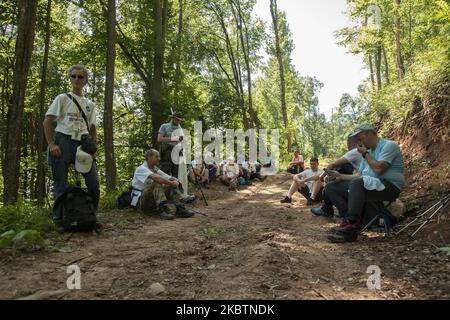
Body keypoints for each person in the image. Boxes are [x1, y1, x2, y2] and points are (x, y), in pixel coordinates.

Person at [323, 123, 405, 241]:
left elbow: (379, 169)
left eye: (360, 138)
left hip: (390, 187)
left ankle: (350, 226)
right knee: (331, 187)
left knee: (358, 183)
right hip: (368, 185)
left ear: (369, 133)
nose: (359, 142)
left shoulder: (389, 146)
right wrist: (340, 176)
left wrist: (365, 154)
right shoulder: (368, 153)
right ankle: (348, 220)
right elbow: (359, 175)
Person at [43, 65, 100, 229]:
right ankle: (59, 221)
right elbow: (47, 121)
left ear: (86, 80)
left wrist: (93, 149)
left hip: (83, 144)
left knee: (93, 183)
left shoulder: (90, 104)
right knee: (60, 184)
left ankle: (90, 217)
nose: (77, 79)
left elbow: (93, 128)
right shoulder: (62, 98)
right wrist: (51, 144)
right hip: (63, 141)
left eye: (81, 77)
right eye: (73, 76)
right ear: (70, 78)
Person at [132, 149, 195, 220]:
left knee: (169, 184)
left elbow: (168, 177)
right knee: (156, 183)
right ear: (149, 157)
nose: (159, 159)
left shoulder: (155, 169)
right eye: (157, 157)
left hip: (151, 199)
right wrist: (171, 182)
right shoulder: (141, 168)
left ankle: (179, 207)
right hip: (140, 201)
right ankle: (162, 210)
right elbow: (156, 178)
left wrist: (175, 181)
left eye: (159, 157)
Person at [311, 136, 363, 217]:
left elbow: (333, 164)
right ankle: (341, 211)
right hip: (363, 180)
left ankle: (341, 213)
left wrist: (322, 176)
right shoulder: (367, 151)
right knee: (337, 180)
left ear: (349, 143)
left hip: (362, 183)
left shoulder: (355, 151)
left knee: (330, 186)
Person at [157, 111, 184, 177]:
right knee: (165, 172)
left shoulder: (180, 129)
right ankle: (165, 186)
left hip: (176, 152)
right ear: (172, 118)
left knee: (176, 172)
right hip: (166, 152)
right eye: (177, 119)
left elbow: (180, 141)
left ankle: (174, 186)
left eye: (179, 120)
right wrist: (173, 138)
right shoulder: (164, 126)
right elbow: (159, 139)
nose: (178, 121)